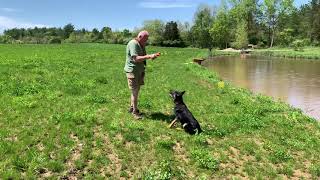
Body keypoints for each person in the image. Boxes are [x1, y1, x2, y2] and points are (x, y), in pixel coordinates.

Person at [124, 30, 159, 119]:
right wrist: (149, 56)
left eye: (146, 40)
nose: (146, 41)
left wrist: (152, 56)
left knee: (135, 91)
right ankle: (135, 113)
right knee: (135, 92)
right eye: (144, 39)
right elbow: (135, 58)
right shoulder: (133, 43)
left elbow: (143, 56)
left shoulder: (140, 44)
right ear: (139, 37)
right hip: (133, 71)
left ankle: (132, 108)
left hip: (139, 71)